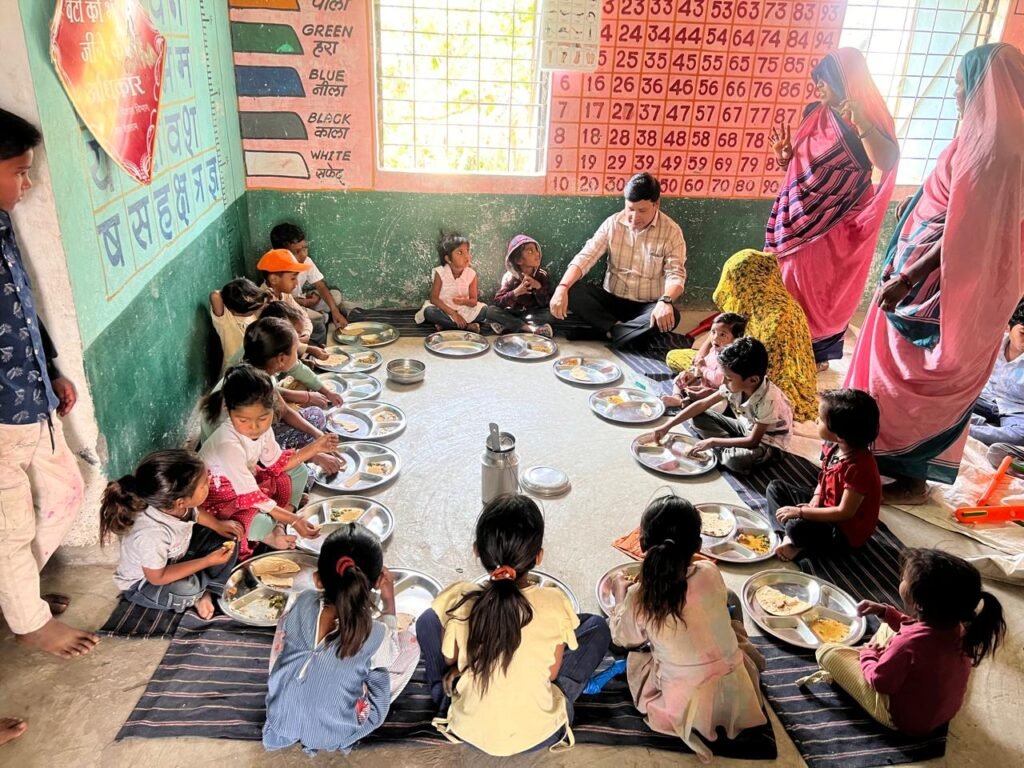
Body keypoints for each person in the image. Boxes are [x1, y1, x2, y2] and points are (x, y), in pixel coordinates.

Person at [845, 43, 1024, 503]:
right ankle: (875, 455)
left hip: (937, 289)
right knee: (887, 366)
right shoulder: (984, 137)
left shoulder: (996, 149)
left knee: (910, 375)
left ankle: (912, 477)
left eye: (963, 87)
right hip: (919, 274)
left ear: (987, 89)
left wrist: (908, 278)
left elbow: (968, 233)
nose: (957, 96)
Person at [0, 108, 97, 659]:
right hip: (1, 415)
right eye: (19, 171)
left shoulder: (2, 225)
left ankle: (17, 597)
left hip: (30, 398)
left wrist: (52, 368)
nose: (28, 183)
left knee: (66, 490)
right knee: (10, 527)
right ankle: (28, 620)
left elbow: (22, 308)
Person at [416, 494, 611, 755]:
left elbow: (449, 655)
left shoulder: (459, 600)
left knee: (428, 620)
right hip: (542, 733)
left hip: (467, 729)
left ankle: (445, 698)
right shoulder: (554, 602)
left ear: (476, 550)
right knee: (596, 626)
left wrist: (468, 664)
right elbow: (552, 674)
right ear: (539, 556)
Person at [765, 48, 899, 370]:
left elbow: (885, 161)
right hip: (797, 214)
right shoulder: (814, 112)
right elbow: (805, 163)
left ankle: (816, 353)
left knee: (819, 289)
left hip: (835, 222)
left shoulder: (867, 121)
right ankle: (782, 344)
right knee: (787, 280)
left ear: (845, 80)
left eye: (824, 80)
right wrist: (785, 158)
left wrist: (861, 121)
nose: (818, 87)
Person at [608, 496, 766, 762]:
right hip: (737, 696)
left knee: (633, 652)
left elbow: (622, 638)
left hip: (682, 705)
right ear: (699, 546)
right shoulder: (710, 572)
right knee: (730, 601)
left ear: (642, 544)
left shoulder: (640, 594)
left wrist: (619, 597)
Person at [804, 548, 1005, 736]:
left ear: (919, 604)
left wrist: (868, 656)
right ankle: (882, 654)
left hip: (903, 720)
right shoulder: (958, 627)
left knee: (827, 652)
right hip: (940, 711)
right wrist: (885, 612)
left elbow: (880, 682)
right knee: (887, 626)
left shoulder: (909, 643)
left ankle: (872, 657)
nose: (901, 580)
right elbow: (914, 630)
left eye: (904, 579)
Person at [263, 524, 420, 754]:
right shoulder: (375, 633)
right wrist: (389, 602)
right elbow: (390, 653)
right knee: (405, 648)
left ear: (317, 580)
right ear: (377, 583)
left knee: (287, 626)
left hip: (281, 719)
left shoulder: (304, 601)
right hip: (332, 734)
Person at [199, 364, 333, 559]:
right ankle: (271, 534)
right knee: (258, 524)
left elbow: (277, 463)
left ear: (273, 408)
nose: (254, 427)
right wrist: (295, 520)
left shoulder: (264, 430)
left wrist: (315, 448)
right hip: (221, 499)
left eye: (263, 418)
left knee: (299, 472)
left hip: (248, 483)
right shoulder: (227, 445)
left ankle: (279, 525)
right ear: (228, 411)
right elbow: (251, 497)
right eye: (243, 420)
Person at [549, 172, 685, 348]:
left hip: (646, 306)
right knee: (572, 289)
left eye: (642, 210)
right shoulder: (613, 223)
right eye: (630, 209)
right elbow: (586, 256)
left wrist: (665, 301)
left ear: (656, 204)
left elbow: (676, 275)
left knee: (672, 315)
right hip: (611, 302)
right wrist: (562, 288)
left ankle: (605, 332)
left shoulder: (671, 232)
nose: (635, 217)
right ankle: (623, 334)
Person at [101, 449, 239, 619]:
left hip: (174, 557)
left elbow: (194, 513)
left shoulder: (170, 504)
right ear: (181, 502)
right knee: (186, 589)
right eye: (204, 484)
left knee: (229, 538)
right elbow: (157, 578)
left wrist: (217, 525)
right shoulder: (152, 535)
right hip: (144, 584)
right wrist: (207, 561)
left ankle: (209, 588)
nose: (209, 482)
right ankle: (200, 594)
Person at [768, 389, 882, 561]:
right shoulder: (834, 446)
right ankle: (789, 539)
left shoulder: (859, 468)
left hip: (842, 530)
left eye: (821, 419)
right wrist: (815, 498)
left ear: (840, 435)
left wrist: (801, 512)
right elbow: (824, 477)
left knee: (795, 527)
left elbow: (844, 512)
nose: (816, 420)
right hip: (825, 506)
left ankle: (791, 538)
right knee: (775, 488)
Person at [653, 337, 793, 474]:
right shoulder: (734, 384)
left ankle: (724, 448)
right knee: (697, 416)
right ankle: (725, 446)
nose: (723, 382)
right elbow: (703, 404)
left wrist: (713, 441)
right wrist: (667, 426)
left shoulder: (769, 400)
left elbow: (753, 441)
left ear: (752, 380)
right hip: (746, 426)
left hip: (767, 442)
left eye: (728, 378)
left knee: (735, 460)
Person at [414, 230, 519, 334]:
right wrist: (454, 314)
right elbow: (434, 299)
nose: (466, 256)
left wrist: (464, 301)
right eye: (460, 253)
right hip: (444, 309)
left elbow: (473, 301)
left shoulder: (471, 274)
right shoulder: (441, 273)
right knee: (429, 312)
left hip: (464, 310)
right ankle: (467, 327)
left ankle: (447, 325)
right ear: (448, 259)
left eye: (467, 251)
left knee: (487, 309)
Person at [270, 222, 349, 338]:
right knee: (306, 319)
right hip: (289, 306)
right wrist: (303, 302)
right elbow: (280, 302)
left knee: (335, 296)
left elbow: (320, 285)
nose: (303, 254)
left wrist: (335, 311)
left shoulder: (306, 260)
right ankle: (323, 317)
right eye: (297, 252)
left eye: (305, 248)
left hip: (300, 300)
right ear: (282, 253)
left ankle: (323, 315)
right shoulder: (276, 271)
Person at [970, 298, 1024, 446]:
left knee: (1021, 435)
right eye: (1023, 333)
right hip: (981, 399)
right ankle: (979, 426)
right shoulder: (992, 342)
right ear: (1008, 327)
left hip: (1015, 410)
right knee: (945, 400)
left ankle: (969, 430)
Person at [663, 312, 747, 408]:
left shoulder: (730, 359)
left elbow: (718, 380)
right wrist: (694, 373)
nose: (715, 338)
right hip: (704, 381)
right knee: (680, 378)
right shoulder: (715, 349)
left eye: (722, 334)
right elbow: (703, 363)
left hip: (716, 390)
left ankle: (686, 402)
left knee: (719, 403)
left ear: (736, 339)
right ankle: (677, 397)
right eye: (713, 332)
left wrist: (703, 368)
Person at [492, 234, 554, 337]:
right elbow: (497, 302)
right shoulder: (509, 277)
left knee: (550, 314)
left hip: (532, 315)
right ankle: (530, 329)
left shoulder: (542, 275)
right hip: (513, 312)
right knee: (490, 311)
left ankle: (510, 326)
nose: (537, 254)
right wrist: (516, 292)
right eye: (530, 251)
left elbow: (545, 303)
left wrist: (538, 287)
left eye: (536, 250)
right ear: (519, 260)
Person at [209, 277, 271, 373]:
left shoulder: (251, 316)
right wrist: (232, 292)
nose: (255, 310)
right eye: (251, 310)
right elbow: (215, 296)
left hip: (252, 368)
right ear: (234, 311)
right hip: (233, 371)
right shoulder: (225, 320)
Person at [257, 248, 316, 344]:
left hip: (294, 340)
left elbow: (303, 316)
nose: (296, 283)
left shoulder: (285, 294)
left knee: (318, 327)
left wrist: (306, 334)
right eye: (293, 278)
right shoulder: (263, 301)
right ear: (274, 279)